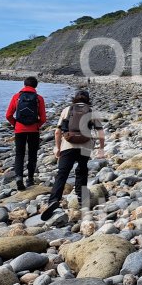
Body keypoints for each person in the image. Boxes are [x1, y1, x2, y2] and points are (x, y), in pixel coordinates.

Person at [41, 90, 104, 219]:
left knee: (62, 173)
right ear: (87, 99)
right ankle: (82, 198)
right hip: (85, 145)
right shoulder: (91, 111)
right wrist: (101, 149)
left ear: (75, 98)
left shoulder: (67, 110)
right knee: (82, 170)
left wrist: (57, 148)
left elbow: (58, 132)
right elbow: (100, 132)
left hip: (68, 144)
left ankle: (54, 200)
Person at [5, 76, 47, 191]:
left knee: (19, 154)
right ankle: (30, 179)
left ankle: (19, 177)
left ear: (24, 85)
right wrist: (37, 126)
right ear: (36, 86)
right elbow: (43, 118)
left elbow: (8, 115)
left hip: (19, 130)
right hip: (34, 130)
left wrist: (15, 124)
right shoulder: (39, 98)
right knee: (32, 155)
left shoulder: (16, 97)